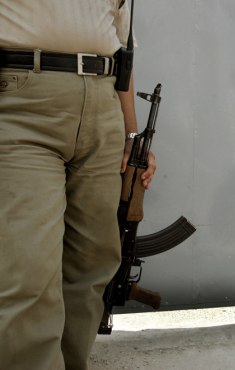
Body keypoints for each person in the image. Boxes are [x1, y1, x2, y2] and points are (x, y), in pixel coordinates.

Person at [0, 1, 156, 369]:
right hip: (22, 99)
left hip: (103, 100)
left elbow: (122, 52)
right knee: (28, 270)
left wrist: (131, 133)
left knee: (93, 262)